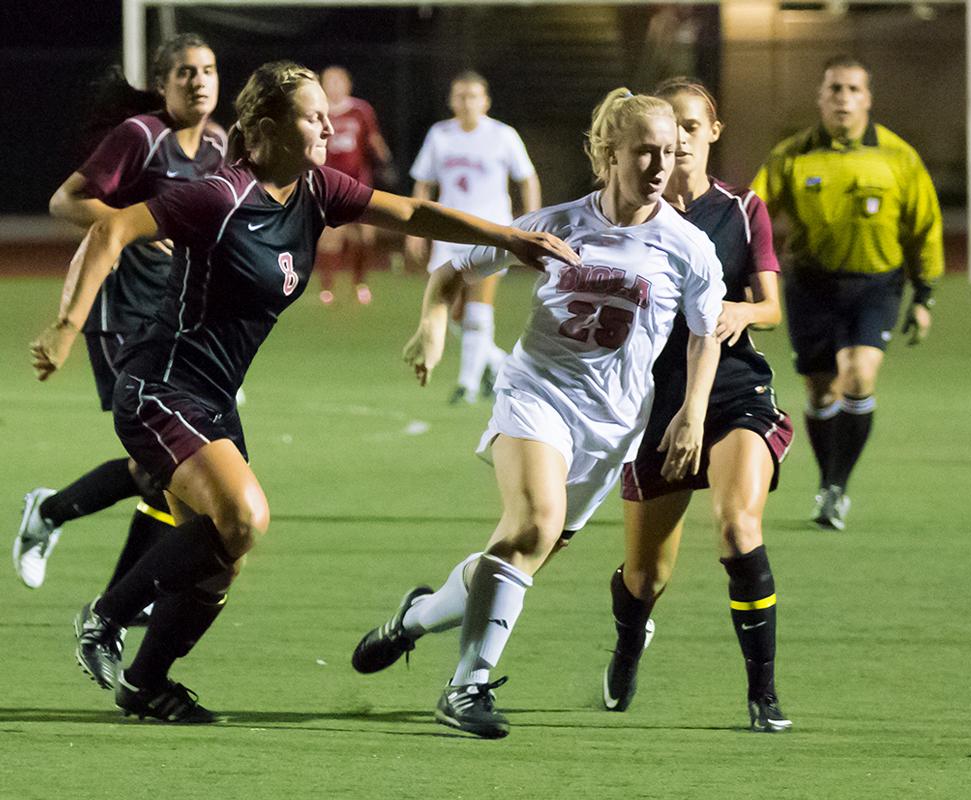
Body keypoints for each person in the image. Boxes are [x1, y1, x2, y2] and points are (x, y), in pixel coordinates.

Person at [28, 60, 579, 724]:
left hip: (214, 399)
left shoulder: (316, 189)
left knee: (221, 557)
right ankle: (106, 616)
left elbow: (411, 211)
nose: (328, 123)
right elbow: (109, 228)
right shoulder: (220, 194)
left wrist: (509, 237)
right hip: (160, 384)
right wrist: (65, 327)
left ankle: (145, 684)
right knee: (244, 518)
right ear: (265, 129)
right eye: (312, 114)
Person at [351, 87, 725, 739]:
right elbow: (452, 271)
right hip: (537, 395)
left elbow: (703, 333)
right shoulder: (555, 225)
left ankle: (413, 618)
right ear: (609, 153)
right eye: (646, 151)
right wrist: (434, 326)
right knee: (535, 523)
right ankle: (465, 690)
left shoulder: (688, 247)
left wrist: (692, 411)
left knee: (516, 556)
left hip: (611, 430)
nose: (662, 164)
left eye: (669, 151)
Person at [601, 78, 794, 733]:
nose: (679, 140)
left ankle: (762, 696)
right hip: (655, 406)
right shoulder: (626, 214)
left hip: (736, 394)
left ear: (713, 131)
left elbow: (772, 306)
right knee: (646, 577)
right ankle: (629, 639)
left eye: (692, 126)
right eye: (668, 128)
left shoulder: (740, 210)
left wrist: (743, 308)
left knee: (739, 525)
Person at [15, 34, 224, 604]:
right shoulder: (142, 137)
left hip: (177, 319)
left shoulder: (218, 145)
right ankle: (117, 602)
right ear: (163, 84)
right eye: (184, 72)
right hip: (121, 313)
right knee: (167, 461)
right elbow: (66, 202)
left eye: (207, 70)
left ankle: (62, 527)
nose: (199, 80)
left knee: (171, 464)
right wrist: (133, 222)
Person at [750, 54, 943, 531]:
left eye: (853, 89)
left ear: (868, 99)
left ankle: (836, 487)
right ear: (820, 97)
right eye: (835, 89)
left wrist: (924, 295)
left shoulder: (898, 157)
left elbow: (925, 227)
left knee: (859, 376)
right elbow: (751, 215)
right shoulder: (792, 156)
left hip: (876, 284)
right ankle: (828, 481)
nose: (843, 98)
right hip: (811, 287)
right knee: (820, 391)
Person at [406, 71, 542, 404]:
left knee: (479, 308)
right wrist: (415, 230)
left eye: (473, 96)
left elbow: (527, 178)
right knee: (450, 312)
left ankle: (467, 384)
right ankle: (499, 364)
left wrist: (531, 222)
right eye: (461, 96)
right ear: (452, 101)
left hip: (490, 232)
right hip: (448, 234)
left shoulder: (502, 136)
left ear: (486, 101)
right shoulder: (440, 135)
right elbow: (423, 183)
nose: (467, 103)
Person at [314, 65, 395, 305]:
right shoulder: (318, 111)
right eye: (329, 81)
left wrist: (385, 161)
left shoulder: (360, 110)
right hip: (328, 182)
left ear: (347, 85)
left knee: (365, 235)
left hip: (358, 181)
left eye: (339, 81)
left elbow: (373, 138)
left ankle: (360, 283)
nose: (334, 86)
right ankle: (327, 287)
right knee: (330, 235)